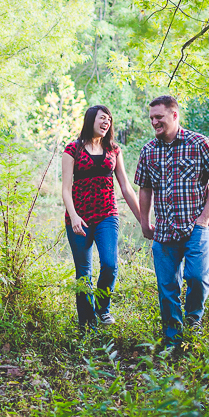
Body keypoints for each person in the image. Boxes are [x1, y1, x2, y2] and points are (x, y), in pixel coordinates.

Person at [133, 95, 209, 349]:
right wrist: (144, 222)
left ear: (174, 115)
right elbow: (145, 188)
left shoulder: (199, 143)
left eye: (159, 117)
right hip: (164, 229)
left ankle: (193, 319)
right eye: (151, 118)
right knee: (167, 286)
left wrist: (205, 217)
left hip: (195, 225)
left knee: (197, 276)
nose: (154, 122)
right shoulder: (149, 150)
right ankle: (173, 339)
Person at [61, 105, 141, 328]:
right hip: (79, 220)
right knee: (84, 273)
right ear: (90, 120)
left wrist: (143, 220)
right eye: (102, 118)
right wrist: (74, 216)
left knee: (109, 264)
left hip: (107, 215)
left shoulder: (113, 149)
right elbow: (66, 189)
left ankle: (103, 309)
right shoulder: (72, 149)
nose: (106, 122)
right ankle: (87, 324)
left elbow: (126, 187)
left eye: (109, 119)